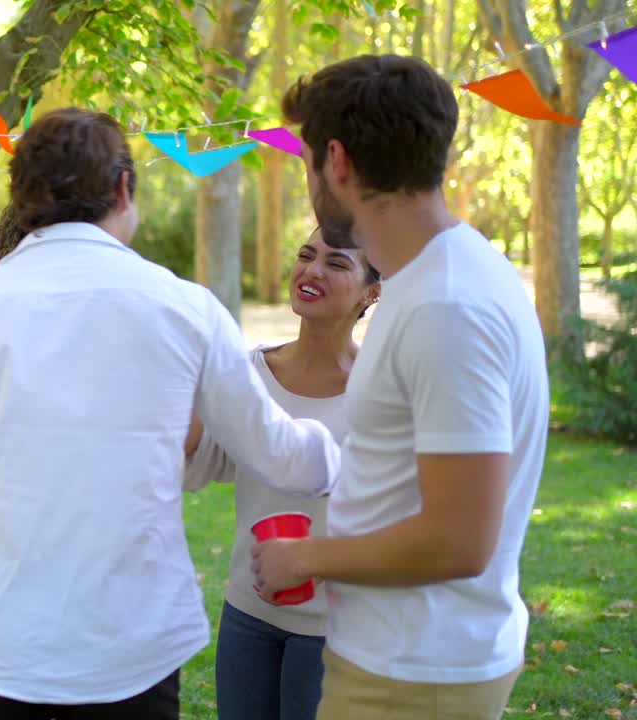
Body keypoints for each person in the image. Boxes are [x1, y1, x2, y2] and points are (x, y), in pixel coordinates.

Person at [0, 107, 340, 719]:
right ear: (123, 188)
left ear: (21, 195)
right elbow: (278, 453)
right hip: (129, 653)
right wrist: (345, 449)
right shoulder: (185, 308)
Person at [251, 54, 549, 720]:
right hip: (407, 662)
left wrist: (305, 557)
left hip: (417, 675)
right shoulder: (434, 280)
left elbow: (459, 540)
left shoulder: (447, 307)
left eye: (305, 163)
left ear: (337, 162)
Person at [184, 226, 380, 720]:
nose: (312, 270)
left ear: (372, 293)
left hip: (338, 627)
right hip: (248, 614)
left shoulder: (382, 391)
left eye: (337, 264)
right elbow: (206, 460)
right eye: (306, 255)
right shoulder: (248, 372)